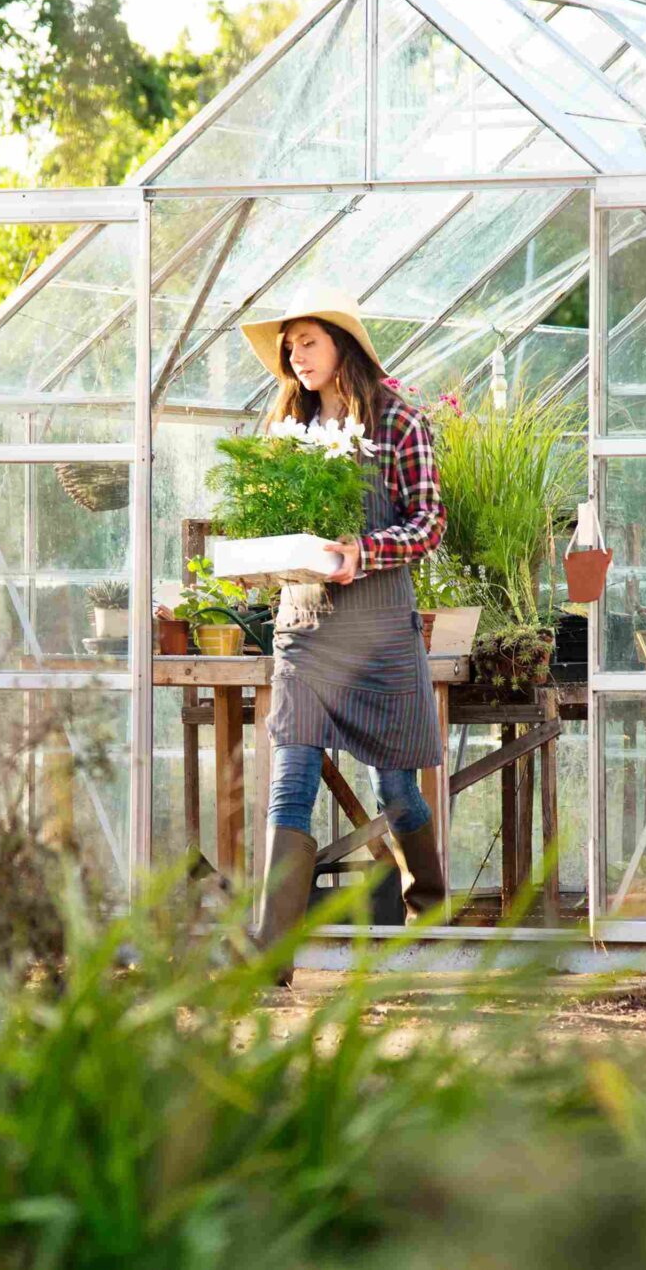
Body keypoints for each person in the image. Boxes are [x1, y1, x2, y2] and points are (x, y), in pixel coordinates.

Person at [235, 289, 448, 974]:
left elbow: (428, 524)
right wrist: (256, 562)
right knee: (290, 782)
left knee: (396, 790)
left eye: (308, 341)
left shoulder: (397, 422)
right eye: (288, 346)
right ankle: (272, 955)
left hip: (380, 634)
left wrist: (367, 550)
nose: (295, 356)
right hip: (304, 630)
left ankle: (428, 908)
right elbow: (268, 523)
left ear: (341, 344)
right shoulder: (284, 429)